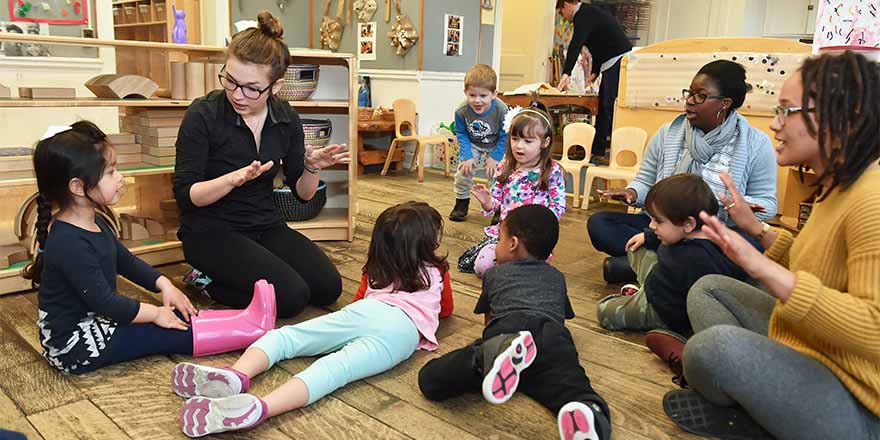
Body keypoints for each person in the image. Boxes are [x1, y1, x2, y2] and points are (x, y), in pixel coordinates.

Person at [660, 52, 880, 440]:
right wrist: (756, 231)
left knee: (710, 350)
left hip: (855, 404)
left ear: (841, 116)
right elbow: (818, 263)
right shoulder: (837, 184)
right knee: (709, 289)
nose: (775, 125)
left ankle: (753, 410)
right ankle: (760, 404)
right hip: (808, 347)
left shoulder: (872, 198)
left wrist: (763, 268)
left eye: (786, 111)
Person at [173, 202, 450, 437]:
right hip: (402, 331)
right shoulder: (436, 271)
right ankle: (264, 406)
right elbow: (445, 310)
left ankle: (237, 373)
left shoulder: (377, 267)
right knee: (332, 370)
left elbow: (359, 299)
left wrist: (346, 325)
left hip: (366, 312)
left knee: (285, 337)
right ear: (428, 244)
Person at [26, 122, 277, 375]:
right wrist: (156, 313)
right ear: (78, 187)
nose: (120, 177)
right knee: (165, 330)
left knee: (176, 317)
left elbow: (125, 262)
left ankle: (245, 317)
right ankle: (249, 331)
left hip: (97, 322)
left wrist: (164, 284)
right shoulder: (69, 242)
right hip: (76, 346)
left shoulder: (95, 222)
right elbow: (106, 303)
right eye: (111, 172)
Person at [173, 11, 348, 319]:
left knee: (327, 287)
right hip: (210, 230)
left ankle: (246, 275)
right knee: (291, 298)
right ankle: (206, 281)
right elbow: (187, 196)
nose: (237, 95)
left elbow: (303, 195)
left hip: (264, 224)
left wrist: (313, 166)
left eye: (251, 88)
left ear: (276, 87)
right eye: (230, 80)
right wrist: (232, 180)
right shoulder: (203, 115)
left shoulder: (285, 118)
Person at [419, 205, 611, 440]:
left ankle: (486, 358)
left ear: (512, 244)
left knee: (430, 379)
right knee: (570, 383)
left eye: (499, 238)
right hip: (551, 335)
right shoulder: (557, 277)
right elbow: (560, 319)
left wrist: (489, 344)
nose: (496, 245)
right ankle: (588, 411)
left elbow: (489, 320)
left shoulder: (494, 274)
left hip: (509, 330)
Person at [587, 60, 777, 283]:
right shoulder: (668, 133)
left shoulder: (756, 143)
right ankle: (670, 263)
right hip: (665, 225)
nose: (689, 101)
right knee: (600, 224)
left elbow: (768, 205)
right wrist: (633, 193)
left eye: (700, 96)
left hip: (715, 232)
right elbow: (646, 180)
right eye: (689, 93)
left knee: (753, 247)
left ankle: (645, 262)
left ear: (724, 103)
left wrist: (739, 205)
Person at [596, 174, 748, 337]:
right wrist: (648, 237)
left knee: (604, 310)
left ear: (689, 224)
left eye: (658, 221)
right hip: (660, 285)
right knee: (637, 248)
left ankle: (640, 298)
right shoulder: (700, 237)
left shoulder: (693, 259)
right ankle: (639, 291)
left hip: (662, 312)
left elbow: (690, 309)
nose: (651, 224)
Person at [457, 105, 566, 275]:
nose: (519, 146)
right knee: (481, 266)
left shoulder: (552, 170)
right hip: (505, 234)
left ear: (545, 143)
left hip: (534, 237)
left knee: (529, 267)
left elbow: (558, 206)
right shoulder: (505, 167)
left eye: (528, 141)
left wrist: (542, 227)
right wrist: (487, 201)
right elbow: (495, 204)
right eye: (515, 139)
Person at [555, 0, 632, 159]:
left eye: (562, 13)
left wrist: (566, 73)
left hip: (619, 59)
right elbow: (599, 45)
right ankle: (598, 150)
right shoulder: (589, 14)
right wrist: (595, 72)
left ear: (566, 6)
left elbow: (576, 44)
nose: (564, 18)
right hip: (613, 59)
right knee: (603, 105)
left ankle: (600, 151)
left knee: (606, 105)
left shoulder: (583, 15)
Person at [448, 64, 509, 223]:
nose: (477, 100)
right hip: (473, 143)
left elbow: (506, 135)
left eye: (483, 96)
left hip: (496, 143)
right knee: (464, 171)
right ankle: (462, 202)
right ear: (465, 93)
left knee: (498, 173)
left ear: (494, 94)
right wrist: (466, 156)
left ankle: (498, 206)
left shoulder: (502, 110)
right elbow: (461, 133)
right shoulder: (461, 111)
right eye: (472, 95)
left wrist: (495, 157)